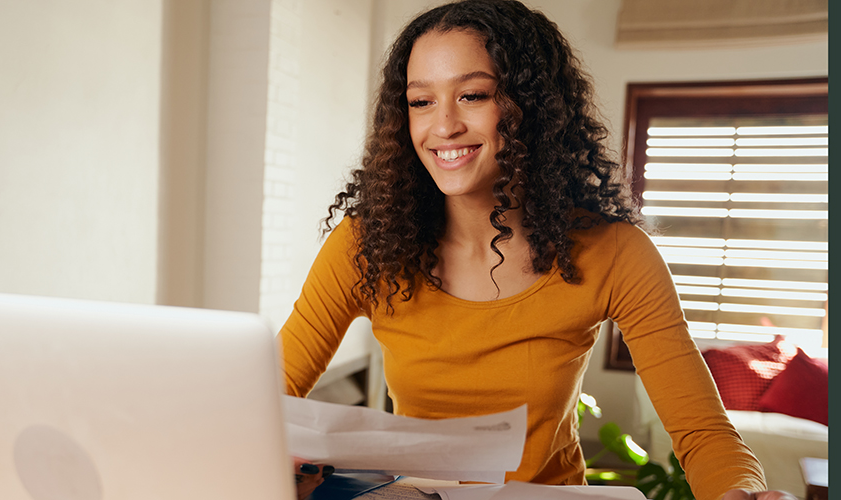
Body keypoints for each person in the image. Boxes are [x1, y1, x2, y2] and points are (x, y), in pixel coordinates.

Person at [277, 2, 794, 500]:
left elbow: (702, 430)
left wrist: (741, 491)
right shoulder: (365, 245)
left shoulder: (615, 252)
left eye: (473, 95)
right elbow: (268, 397)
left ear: (531, 106)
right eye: (421, 101)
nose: (443, 126)